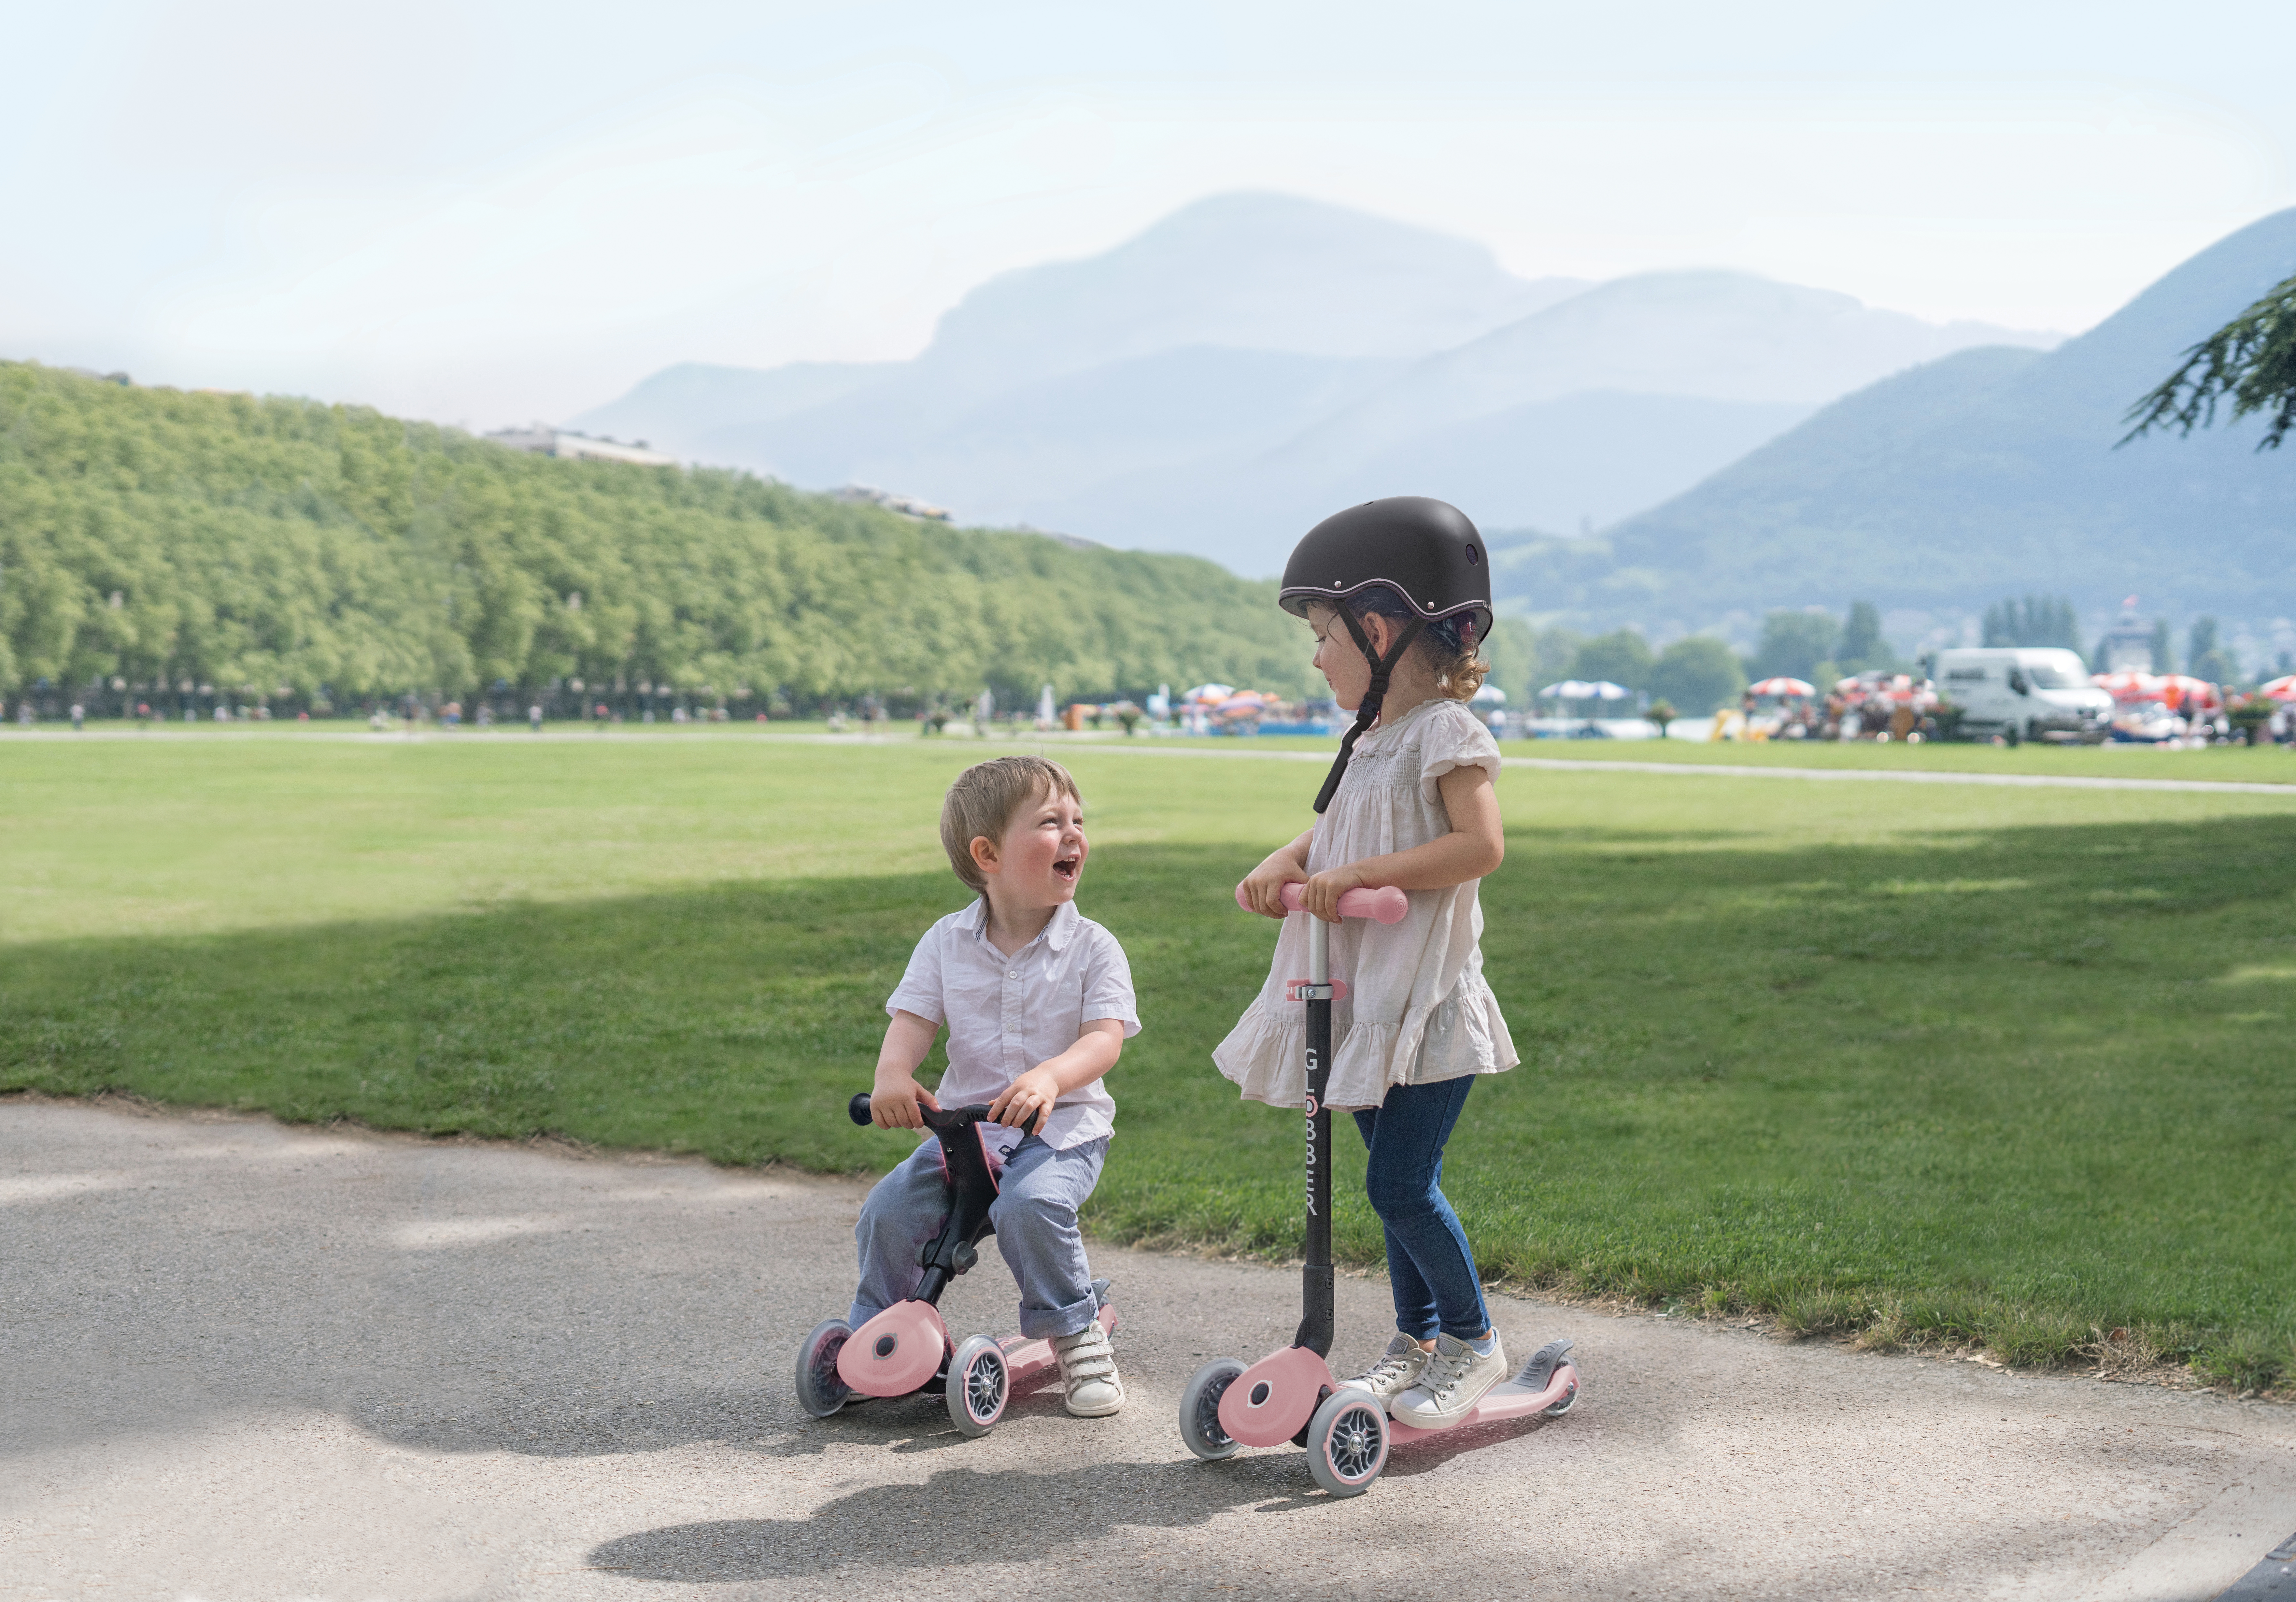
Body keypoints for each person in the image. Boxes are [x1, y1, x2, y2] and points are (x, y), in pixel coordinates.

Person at [1219, 497, 1519, 1433]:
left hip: (1422, 999)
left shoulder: (1445, 733)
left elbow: (1477, 845)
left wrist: (1358, 874)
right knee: (1386, 1187)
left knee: (1398, 1184)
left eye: (1323, 635)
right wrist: (1290, 861)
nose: (1316, 657)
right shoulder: (1368, 743)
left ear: (1379, 629)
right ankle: (1415, 1341)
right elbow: (1343, 826)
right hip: (1363, 997)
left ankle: (1473, 1342)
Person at [856, 755, 1138, 1417]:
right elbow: (913, 1021)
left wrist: (1049, 1075)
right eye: (1050, 822)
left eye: (1078, 820)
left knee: (1028, 1205)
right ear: (988, 853)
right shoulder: (945, 942)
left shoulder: (1094, 947)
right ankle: (876, 1331)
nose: (1074, 835)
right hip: (968, 1132)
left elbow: (1105, 1038)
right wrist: (893, 1074)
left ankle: (1077, 1333)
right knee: (887, 1210)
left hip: (1062, 1130)